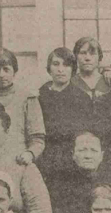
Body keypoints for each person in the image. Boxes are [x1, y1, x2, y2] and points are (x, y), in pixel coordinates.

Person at [0, 48, 46, 164]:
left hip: (18, 161)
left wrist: (30, 154)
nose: (1, 75)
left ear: (14, 71)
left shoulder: (27, 98)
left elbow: (37, 139)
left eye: (6, 69)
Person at [37, 47, 95, 179]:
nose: (60, 70)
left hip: (71, 159)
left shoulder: (82, 98)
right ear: (49, 68)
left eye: (66, 65)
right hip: (44, 157)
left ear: (72, 69)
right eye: (56, 64)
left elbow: (84, 132)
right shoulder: (40, 95)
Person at [48, 131, 111, 213]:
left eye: (94, 150)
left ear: (101, 156)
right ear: (73, 155)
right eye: (82, 150)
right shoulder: (60, 183)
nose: (88, 156)